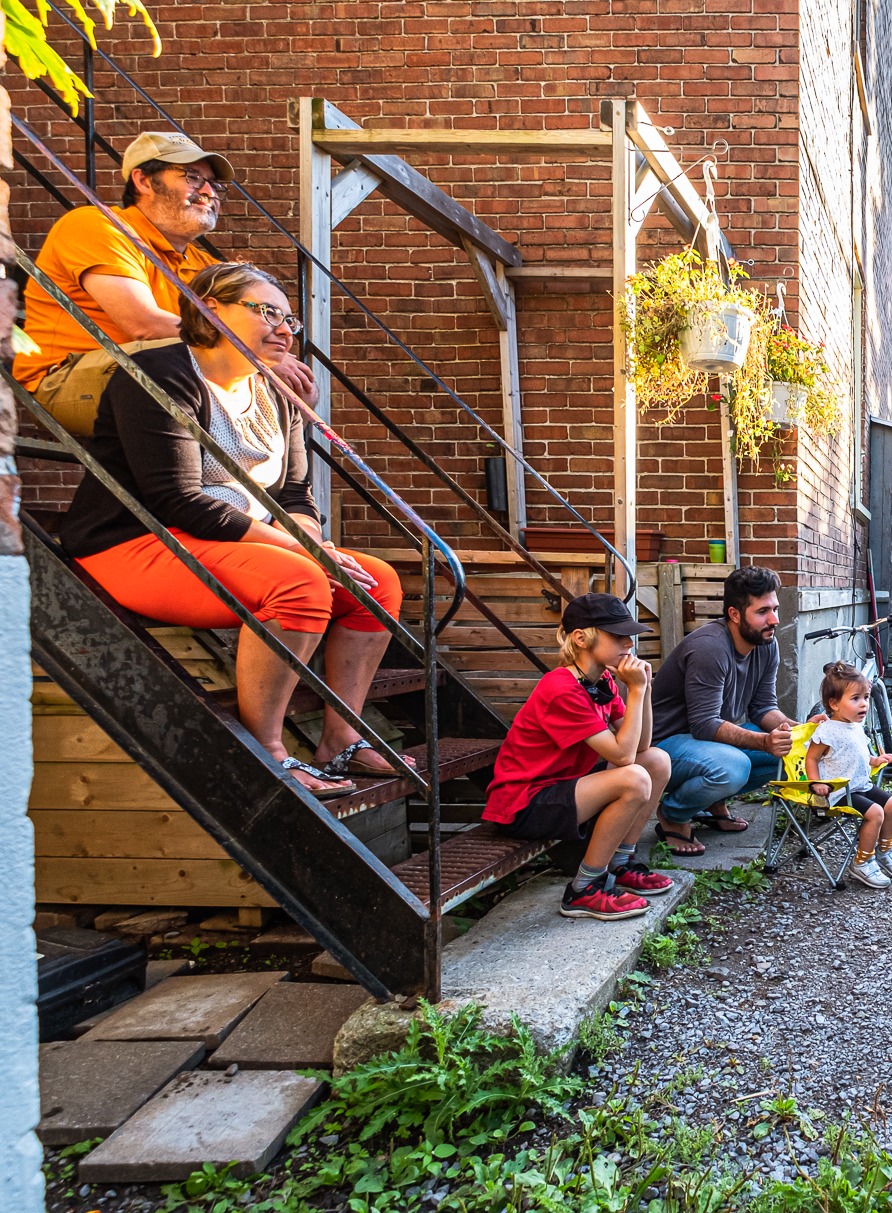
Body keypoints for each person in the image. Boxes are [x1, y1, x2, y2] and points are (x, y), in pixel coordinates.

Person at [61, 263, 405, 797]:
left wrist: (314, 542)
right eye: (267, 312)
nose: (286, 328)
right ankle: (268, 753)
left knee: (376, 583)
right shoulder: (162, 374)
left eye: (290, 317)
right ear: (208, 308)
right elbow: (179, 499)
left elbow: (293, 494)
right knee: (299, 583)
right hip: (138, 539)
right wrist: (305, 553)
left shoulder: (278, 392)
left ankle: (342, 738)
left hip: (236, 540)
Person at [18, 132, 315, 433]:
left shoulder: (206, 266)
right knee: (175, 368)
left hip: (159, 374)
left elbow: (247, 333)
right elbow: (142, 323)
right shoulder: (97, 225)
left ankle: (259, 479)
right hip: (65, 378)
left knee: (291, 390)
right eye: (193, 178)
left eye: (215, 184)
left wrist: (272, 365)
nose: (209, 192)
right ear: (144, 181)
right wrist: (254, 355)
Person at [480, 591, 676, 921]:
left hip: (565, 788)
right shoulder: (560, 688)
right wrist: (638, 690)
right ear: (582, 638)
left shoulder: (602, 683)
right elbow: (623, 757)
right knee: (635, 777)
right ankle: (584, 889)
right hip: (525, 803)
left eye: (629, 635)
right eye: (617, 635)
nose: (628, 643)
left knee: (656, 761)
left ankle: (621, 863)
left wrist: (645, 689)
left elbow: (641, 747)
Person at [649, 565, 795, 853]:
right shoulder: (710, 648)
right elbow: (704, 724)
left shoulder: (766, 644)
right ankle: (673, 815)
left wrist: (803, 731)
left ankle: (711, 802)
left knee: (788, 750)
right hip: (664, 745)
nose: (775, 619)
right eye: (763, 611)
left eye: (775, 609)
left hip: (704, 741)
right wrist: (765, 742)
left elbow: (763, 707)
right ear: (735, 614)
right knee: (734, 766)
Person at [804, 660, 892, 890]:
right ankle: (862, 862)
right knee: (876, 812)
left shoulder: (855, 726)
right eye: (855, 699)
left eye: (866, 698)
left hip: (859, 785)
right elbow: (811, 758)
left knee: (890, 804)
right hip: (838, 791)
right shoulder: (827, 731)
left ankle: (886, 849)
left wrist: (875, 760)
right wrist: (815, 782)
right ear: (834, 703)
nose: (864, 705)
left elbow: (861, 754)